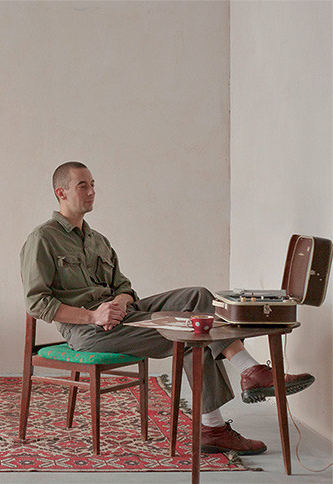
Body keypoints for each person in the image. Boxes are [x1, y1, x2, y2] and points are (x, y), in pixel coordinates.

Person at [20, 161, 315, 455]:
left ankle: (249, 371)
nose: (91, 191)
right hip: (87, 330)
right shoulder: (43, 239)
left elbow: (124, 286)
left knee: (198, 298)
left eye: (93, 184)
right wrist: (93, 315)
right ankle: (214, 428)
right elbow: (36, 302)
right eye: (82, 186)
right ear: (61, 193)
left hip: (123, 314)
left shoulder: (98, 240)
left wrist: (120, 301)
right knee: (193, 333)